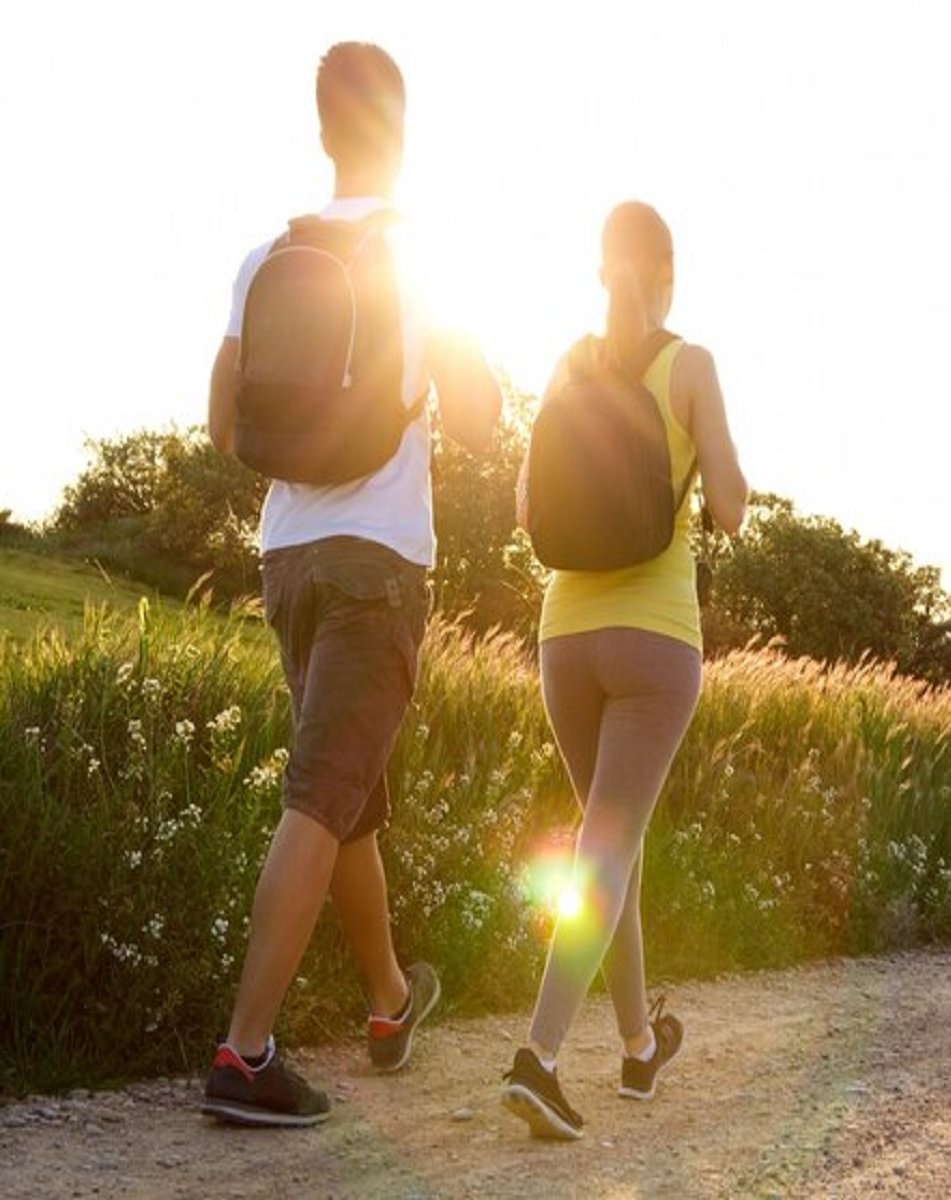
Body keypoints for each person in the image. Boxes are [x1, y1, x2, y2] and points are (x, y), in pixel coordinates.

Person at [203, 41, 502, 1127]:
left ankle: (388, 1002)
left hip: (287, 557)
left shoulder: (266, 257)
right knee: (322, 797)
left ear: (325, 133)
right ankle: (244, 1055)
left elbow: (221, 422)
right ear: (401, 136)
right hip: (378, 562)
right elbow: (478, 425)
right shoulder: (419, 262)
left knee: (347, 800)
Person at [502, 200, 748, 1139]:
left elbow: (527, 508)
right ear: (668, 273)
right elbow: (730, 509)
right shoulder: (691, 366)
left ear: (602, 270)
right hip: (654, 642)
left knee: (615, 846)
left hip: (564, 638)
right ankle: (539, 1055)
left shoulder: (568, 364)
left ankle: (641, 1045)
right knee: (606, 849)